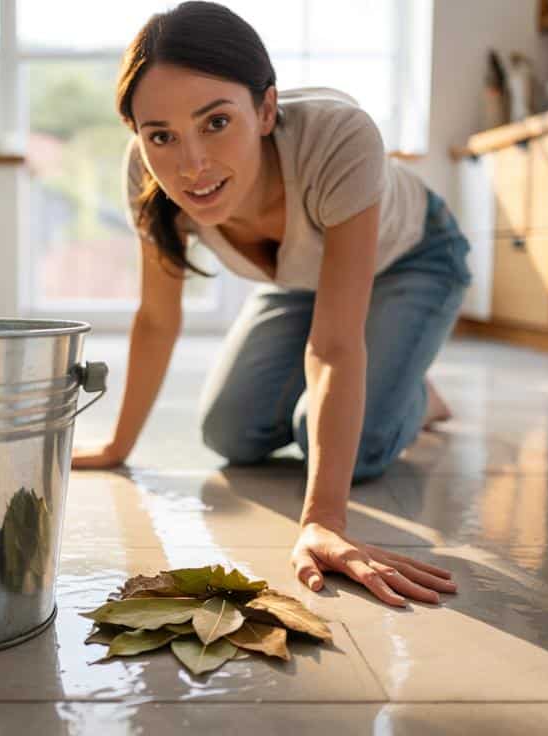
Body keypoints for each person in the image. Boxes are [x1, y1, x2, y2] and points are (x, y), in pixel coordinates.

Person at [71, 1, 467, 607]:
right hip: (300, 281)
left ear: (265, 108)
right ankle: (395, 373)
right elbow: (157, 318)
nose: (192, 165)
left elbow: (334, 344)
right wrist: (118, 447)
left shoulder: (340, 137)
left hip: (411, 258)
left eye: (215, 122)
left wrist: (324, 519)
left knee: (340, 444)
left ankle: (415, 395)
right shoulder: (145, 175)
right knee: (228, 430)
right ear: (138, 134)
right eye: (161, 136)